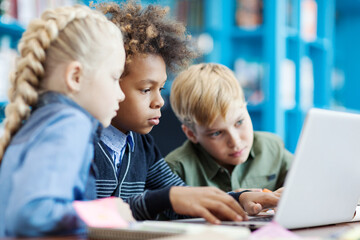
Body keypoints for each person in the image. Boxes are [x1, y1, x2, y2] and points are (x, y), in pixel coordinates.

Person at [94, 1, 280, 224]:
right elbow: (86, 214)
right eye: (146, 89)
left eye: (160, 89)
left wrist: (240, 198)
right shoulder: (84, 143)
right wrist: (165, 199)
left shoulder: (141, 145)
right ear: (110, 82)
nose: (160, 102)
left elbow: (185, 202)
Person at [0, 5, 128, 237]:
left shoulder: (43, 122)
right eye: (115, 78)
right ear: (75, 77)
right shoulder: (70, 123)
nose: (121, 94)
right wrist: (106, 213)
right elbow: (33, 214)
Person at [165, 63, 293, 193]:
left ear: (246, 109)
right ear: (191, 134)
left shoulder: (273, 148)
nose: (235, 142)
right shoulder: (175, 171)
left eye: (239, 122)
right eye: (216, 133)